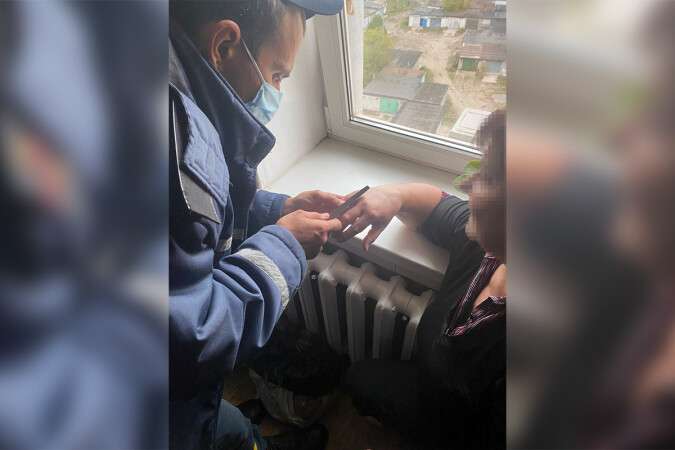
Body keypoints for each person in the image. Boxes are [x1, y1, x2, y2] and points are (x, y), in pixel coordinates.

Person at [168, 1, 344, 449]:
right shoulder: (171, 145)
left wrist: (277, 208)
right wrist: (285, 246)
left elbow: (197, 223)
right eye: (277, 74)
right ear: (225, 44)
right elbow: (193, 339)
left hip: (184, 401)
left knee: (231, 428)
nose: (278, 91)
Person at [338, 110, 506, 449]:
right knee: (358, 378)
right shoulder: (487, 250)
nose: (467, 184)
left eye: (488, 177)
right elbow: (434, 205)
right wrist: (392, 195)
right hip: (429, 398)